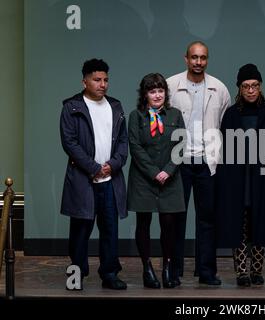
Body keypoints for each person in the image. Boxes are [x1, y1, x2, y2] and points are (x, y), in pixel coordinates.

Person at [60, 58, 128, 290]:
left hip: (110, 180)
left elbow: (122, 142)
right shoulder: (72, 107)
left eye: (106, 80)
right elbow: (69, 143)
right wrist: (93, 167)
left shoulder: (116, 106)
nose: (103, 84)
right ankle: (75, 276)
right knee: (79, 232)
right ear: (85, 81)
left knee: (110, 230)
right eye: (97, 80)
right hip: (84, 180)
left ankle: (109, 274)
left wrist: (113, 164)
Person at [167, 41, 231, 285]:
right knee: (175, 218)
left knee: (207, 219)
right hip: (179, 161)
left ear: (207, 60)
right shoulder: (172, 85)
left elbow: (224, 125)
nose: (198, 62)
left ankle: (206, 272)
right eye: (194, 57)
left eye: (203, 58)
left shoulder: (219, 88)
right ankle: (173, 272)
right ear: (185, 59)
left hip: (207, 162)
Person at [216, 64, 265, 287]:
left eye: (255, 85)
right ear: (240, 88)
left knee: (260, 222)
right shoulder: (232, 114)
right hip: (237, 178)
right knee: (240, 224)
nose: (251, 90)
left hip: (264, 178)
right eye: (246, 86)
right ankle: (241, 273)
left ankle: (257, 270)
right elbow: (224, 150)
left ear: (260, 86)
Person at [127, 73, 186, 289]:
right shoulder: (136, 116)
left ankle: (168, 268)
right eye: (152, 91)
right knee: (143, 224)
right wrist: (154, 172)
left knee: (169, 225)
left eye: (161, 90)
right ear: (145, 94)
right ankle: (147, 268)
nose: (157, 95)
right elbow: (135, 147)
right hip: (144, 179)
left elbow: (181, 145)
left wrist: (168, 171)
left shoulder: (175, 115)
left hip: (170, 179)